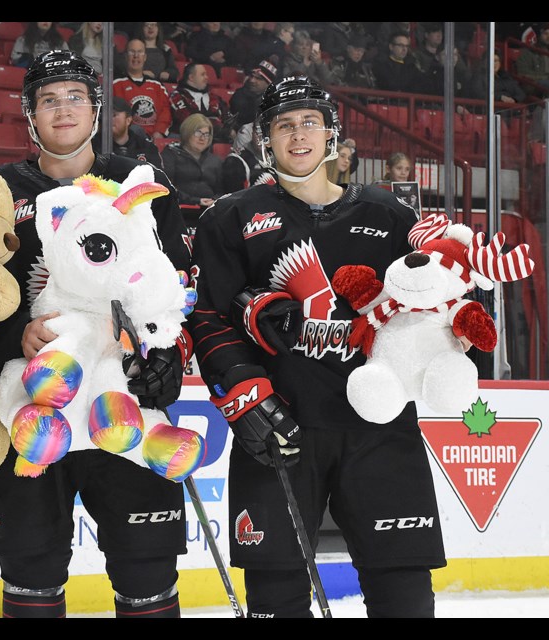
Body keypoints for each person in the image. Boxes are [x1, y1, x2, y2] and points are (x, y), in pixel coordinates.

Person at [188, 75, 446, 618]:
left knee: (404, 595)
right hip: (280, 429)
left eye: (310, 122)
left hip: (380, 430)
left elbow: (429, 304)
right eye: (284, 125)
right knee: (276, 597)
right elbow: (207, 315)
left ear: (332, 136)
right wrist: (244, 395)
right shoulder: (230, 218)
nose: (298, 135)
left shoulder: (389, 215)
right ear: (266, 141)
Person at [0, 49, 193, 619]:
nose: (62, 110)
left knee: (146, 568)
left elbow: (178, 288)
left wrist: (169, 352)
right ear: (30, 115)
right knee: (30, 571)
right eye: (48, 100)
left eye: (75, 97)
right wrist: (9, 340)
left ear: (96, 111)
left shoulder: (141, 185)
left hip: (124, 399)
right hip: (30, 403)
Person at [161, 113, 224, 229]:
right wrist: (196, 201)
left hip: (210, 213)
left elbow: (223, 190)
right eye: (198, 133)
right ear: (187, 133)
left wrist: (215, 200)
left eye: (206, 134)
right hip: (180, 212)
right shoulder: (171, 154)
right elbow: (167, 187)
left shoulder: (215, 160)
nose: (202, 138)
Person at [113, 39, 173, 139]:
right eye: (132, 52)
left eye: (140, 52)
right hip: (128, 138)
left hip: (154, 137)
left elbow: (165, 112)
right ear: (126, 56)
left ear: (145, 57)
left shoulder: (157, 86)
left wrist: (159, 132)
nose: (136, 56)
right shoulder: (115, 85)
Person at [93, 96, 164, 169]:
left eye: (114, 115)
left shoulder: (147, 147)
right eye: (104, 115)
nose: (107, 119)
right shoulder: (93, 147)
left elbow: (157, 177)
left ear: (128, 120)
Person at [169, 62, 231, 143]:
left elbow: (228, 118)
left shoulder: (215, 97)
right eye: (203, 74)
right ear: (191, 77)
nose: (207, 77)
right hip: (187, 141)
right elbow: (190, 122)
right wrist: (216, 125)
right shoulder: (177, 96)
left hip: (214, 140)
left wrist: (230, 129)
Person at [221, 118, 276, 194]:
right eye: (258, 133)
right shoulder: (236, 161)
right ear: (252, 133)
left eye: (266, 133)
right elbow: (232, 200)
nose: (261, 138)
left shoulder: (283, 156)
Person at [373, 31, 436, 96]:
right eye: (400, 45)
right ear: (391, 47)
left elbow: (425, 86)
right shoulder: (382, 64)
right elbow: (391, 85)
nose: (404, 49)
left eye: (406, 46)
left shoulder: (411, 66)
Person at [228, 56, 279, 135]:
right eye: (252, 76)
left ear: (268, 84)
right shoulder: (240, 96)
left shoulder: (275, 101)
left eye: (258, 79)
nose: (252, 80)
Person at [516, 22, 549, 95]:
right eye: (546, 34)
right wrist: (546, 77)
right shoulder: (528, 52)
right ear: (539, 35)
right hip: (535, 84)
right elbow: (523, 74)